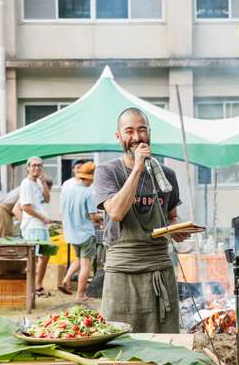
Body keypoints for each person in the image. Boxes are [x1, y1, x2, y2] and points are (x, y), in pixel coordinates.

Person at [94, 107, 189, 333]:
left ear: (149, 133)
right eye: (129, 131)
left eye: (142, 130)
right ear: (119, 136)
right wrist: (137, 168)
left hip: (160, 270)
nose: (136, 137)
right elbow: (115, 212)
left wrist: (178, 229)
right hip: (122, 272)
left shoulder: (167, 175)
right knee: (119, 340)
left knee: (164, 342)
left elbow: (171, 216)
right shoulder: (107, 172)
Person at [59, 162, 103, 300]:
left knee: (78, 259)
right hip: (85, 233)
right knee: (86, 265)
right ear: (89, 178)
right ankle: (80, 294)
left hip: (71, 233)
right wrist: (103, 217)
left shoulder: (67, 190)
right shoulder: (87, 192)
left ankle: (66, 279)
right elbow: (93, 216)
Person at [19, 157, 52, 297]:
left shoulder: (38, 181)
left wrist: (44, 182)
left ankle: (38, 285)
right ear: (28, 167)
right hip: (32, 226)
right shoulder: (25, 184)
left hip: (42, 226)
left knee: (45, 256)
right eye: (33, 166)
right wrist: (42, 217)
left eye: (39, 166)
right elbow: (25, 207)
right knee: (32, 258)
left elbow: (47, 199)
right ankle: (30, 287)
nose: (36, 168)